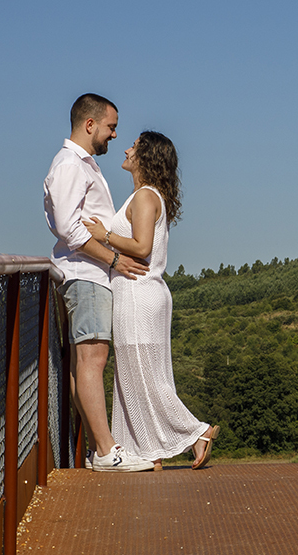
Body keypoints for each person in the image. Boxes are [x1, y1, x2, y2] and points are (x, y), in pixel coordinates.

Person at [83, 130, 220, 470]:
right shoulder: (148, 195)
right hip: (142, 292)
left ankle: (196, 431)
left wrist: (105, 236)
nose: (126, 149)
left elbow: (142, 247)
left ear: (146, 157)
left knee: (142, 375)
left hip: (137, 292)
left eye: (134, 146)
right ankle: (147, 452)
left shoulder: (145, 196)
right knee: (137, 375)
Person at [43, 93, 154, 472]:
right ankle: (107, 451)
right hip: (85, 274)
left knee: (85, 363)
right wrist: (115, 260)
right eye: (110, 127)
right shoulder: (70, 166)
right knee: (93, 359)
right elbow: (71, 230)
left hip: (88, 274)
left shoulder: (83, 165)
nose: (114, 135)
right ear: (90, 124)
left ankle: (99, 449)